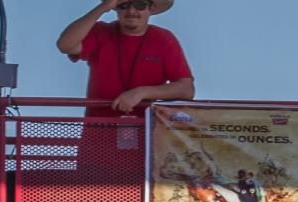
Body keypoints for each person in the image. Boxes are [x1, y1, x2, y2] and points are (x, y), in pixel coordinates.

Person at [57, 0, 195, 119]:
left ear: (150, 9)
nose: (131, 11)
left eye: (140, 5)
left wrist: (142, 92)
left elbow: (186, 90)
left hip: (147, 133)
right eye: (124, 5)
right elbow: (65, 45)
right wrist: (102, 8)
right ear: (115, 8)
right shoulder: (101, 31)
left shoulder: (163, 39)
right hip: (99, 131)